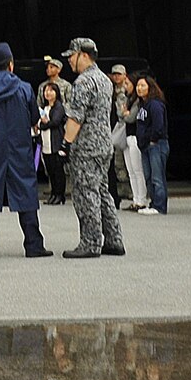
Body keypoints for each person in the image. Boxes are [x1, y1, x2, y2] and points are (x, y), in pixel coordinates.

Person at [0, 42, 49, 258]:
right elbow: (34, 119)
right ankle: (33, 245)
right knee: (26, 191)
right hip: (19, 150)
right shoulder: (24, 88)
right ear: (11, 65)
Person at [61, 37, 124, 258]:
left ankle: (90, 242)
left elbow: (76, 118)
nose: (69, 60)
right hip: (103, 144)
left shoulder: (83, 82)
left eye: (72, 56)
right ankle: (114, 239)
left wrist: (65, 145)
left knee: (85, 192)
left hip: (86, 146)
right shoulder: (105, 80)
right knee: (102, 190)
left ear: (84, 55)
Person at [109, 66, 146, 210]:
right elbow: (120, 113)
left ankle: (141, 199)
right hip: (127, 137)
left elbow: (130, 117)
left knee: (138, 170)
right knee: (131, 171)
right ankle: (136, 199)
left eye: (128, 84)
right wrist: (124, 112)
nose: (126, 86)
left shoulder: (137, 102)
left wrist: (125, 113)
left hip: (135, 136)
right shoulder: (129, 100)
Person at [135, 75, 171, 216]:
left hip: (156, 145)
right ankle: (153, 203)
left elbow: (158, 125)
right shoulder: (142, 105)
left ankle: (160, 206)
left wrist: (153, 139)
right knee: (148, 176)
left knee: (157, 176)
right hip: (145, 145)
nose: (139, 88)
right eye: (138, 86)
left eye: (143, 86)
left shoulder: (155, 104)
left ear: (150, 88)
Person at [37, 80, 69, 204]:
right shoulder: (44, 107)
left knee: (58, 171)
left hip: (55, 142)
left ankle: (59, 195)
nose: (48, 93)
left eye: (51, 90)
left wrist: (43, 124)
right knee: (50, 170)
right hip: (45, 142)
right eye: (46, 90)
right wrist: (41, 124)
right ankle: (53, 193)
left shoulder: (59, 106)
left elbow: (55, 122)